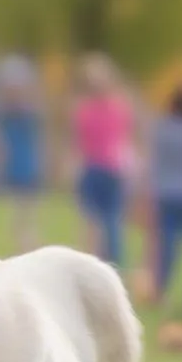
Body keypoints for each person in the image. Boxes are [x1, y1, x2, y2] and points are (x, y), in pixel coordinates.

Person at [71, 53, 135, 268]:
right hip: (107, 168)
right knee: (108, 220)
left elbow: (80, 142)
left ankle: (96, 263)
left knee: (97, 221)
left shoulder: (84, 110)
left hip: (100, 169)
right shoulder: (119, 107)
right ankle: (109, 264)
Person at [0, 55, 44, 252]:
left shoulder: (25, 115)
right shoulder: (5, 115)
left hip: (26, 170)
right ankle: (25, 249)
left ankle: (29, 250)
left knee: (23, 219)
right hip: (15, 170)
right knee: (18, 220)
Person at [149, 83, 182, 300]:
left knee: (167, 247)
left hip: (167, 194)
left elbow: (155, 163)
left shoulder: (163, 128)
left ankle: (161, 290)